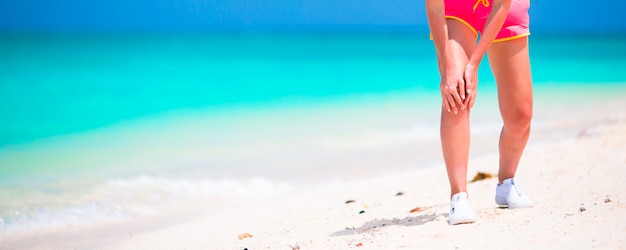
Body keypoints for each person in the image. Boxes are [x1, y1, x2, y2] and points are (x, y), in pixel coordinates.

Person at [425, 0, 534, 225]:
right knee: (457, 90)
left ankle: (506, 182)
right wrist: (447, 66)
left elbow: (502, 4)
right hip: (457, 8)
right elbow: (435, 7)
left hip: (504, 8)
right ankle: (459, 195)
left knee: (521, 115)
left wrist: (474, 64)